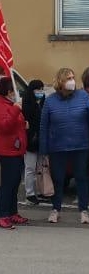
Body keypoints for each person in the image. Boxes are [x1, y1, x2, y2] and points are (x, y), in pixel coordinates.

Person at [40, 68, 89, 225]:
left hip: (80, 145)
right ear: (60, 82)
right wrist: (44, 150)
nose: (72, 81)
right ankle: (55, 209)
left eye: (73, 77)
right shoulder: (50, 101)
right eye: (68, 78)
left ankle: (83, 211)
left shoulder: (83, 96)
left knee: (81, 178)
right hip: (58, 147)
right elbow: (44, 126)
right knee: (58, 179)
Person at [0, 77, 28, 230]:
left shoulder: (9, 104)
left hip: (16, 150)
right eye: (13, 90)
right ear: (7, 91)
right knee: (7, 185)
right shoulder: (3, 105)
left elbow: (15, 123)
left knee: (15, 183)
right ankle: (3, 214)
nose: (15, 93)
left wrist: (24, 124)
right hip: (7, 152)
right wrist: (16, 109)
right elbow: (4, 126)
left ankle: (12, 212)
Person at [22, 79, 47, 205]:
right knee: (30, 167)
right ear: (32, 91)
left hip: (41, 140)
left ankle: (41, 191)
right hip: (30, 140)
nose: (41, 92)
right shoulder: (26, 104)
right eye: (38, 89)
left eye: (42, 89)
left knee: (40, 168)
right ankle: (30, 193)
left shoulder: (43, 103)